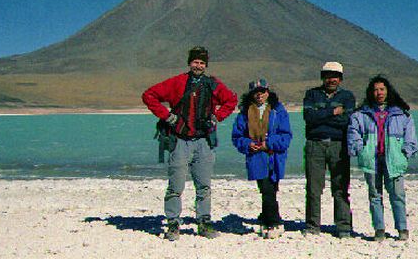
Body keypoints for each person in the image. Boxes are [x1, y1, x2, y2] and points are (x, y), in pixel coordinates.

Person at [141, 46, 237, 241]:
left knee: (204, 186)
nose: (198, 65)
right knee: (175, 185)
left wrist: (217, 117)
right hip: (180, 141)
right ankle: (173, 223)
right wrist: (167, 116)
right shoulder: (177, 82)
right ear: (189, 62)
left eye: (202, 63)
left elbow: (231, 100)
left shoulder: (213, 84)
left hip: (204, 141)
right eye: (195, 62)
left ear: (206, 65)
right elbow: (149, 95)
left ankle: (204, 222)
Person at [347, 75, 418, 241]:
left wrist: (405, 153)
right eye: (375, 90)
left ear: (388, 91)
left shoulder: (401, 114)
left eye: (382, 89)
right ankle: (379, 229)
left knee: (397, 195)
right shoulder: (361, 114)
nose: (378, 92)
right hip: (371, 160)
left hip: (393, 160)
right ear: (370, 92)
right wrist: (360, 148)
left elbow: (411, 138)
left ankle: (402, 228)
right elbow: (353, 132)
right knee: (374, 195)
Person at [231, 79, 292, 239]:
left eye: (263, 91)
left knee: (271, 188)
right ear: (251, 94)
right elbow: (237, 136)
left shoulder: (278, 111)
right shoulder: (245, 113)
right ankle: (272, 222)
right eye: (256, 92)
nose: (260, 95)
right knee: (266, 188)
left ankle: (269, 218)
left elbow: (286, 135)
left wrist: (268, 143)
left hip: (274, 155)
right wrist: (248, 144)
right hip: (256, 156)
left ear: (268, 92)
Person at [302, 62, 356, 238]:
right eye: (328, 75)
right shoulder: (312, 94)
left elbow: (347, 121)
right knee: (313, 187)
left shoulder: (348, 97)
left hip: (339, 145)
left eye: (335, 76)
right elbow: (309, 118)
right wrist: (332, 112)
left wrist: (322, 116)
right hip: (314, 144)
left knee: (340, 187)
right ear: (322, 77)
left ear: (340, 79)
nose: (331, 79)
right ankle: (312, 225)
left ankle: (343, 226)